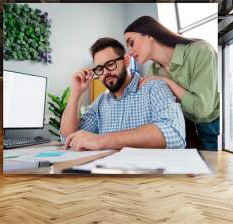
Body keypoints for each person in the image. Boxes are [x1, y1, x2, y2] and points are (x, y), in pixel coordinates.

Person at [60, 37, 185, 151]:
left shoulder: (154, 87)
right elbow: (68, 138)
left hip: (148, 174)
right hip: (110, 173)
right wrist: (76, 93)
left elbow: (174, 134)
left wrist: (101, 140)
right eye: (100, 69)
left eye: (110, 64)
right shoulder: (100, 102)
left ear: (126, 61)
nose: (105, 73)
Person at [124, 16, 220, 151]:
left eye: (131, 43)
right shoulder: (153, 72)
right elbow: (143, 110)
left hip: (211, 126)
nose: (130, 52)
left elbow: (202, 109)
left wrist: (166, 81)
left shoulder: (201, 51)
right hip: (185, 129)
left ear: (149, 35)